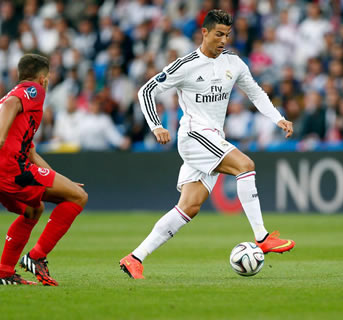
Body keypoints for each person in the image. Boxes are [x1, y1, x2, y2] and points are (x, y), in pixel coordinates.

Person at [120, 10, 295, 279]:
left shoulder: (233, 63)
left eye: (227, 35)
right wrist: (156, 125)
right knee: (245, 166)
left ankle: (134, 258)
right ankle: (262, 237)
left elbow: (256, 93)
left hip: (214, 138)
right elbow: (146, 90)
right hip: (193, 136)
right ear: (204, 32)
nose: (223, 40)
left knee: (189, 206)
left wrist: (278, 118)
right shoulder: (186, 65)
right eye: (218, 34)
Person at [0, 54, 88, 286]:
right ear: (42, 77)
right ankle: (36, 257)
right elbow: (11, 105)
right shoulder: (33, 91)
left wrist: (63, 181)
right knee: (79, 198)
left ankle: (5, 273)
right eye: (47, 77)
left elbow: (31, 153)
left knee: (33, 209)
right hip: (9, 167)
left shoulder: (10, 97)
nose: (47, 81)